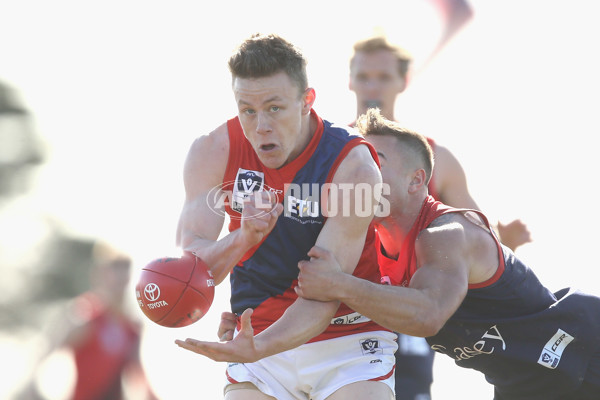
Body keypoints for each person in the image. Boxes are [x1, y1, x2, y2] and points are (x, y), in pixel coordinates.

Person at [293, 108, 600, 400]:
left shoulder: (446, 233)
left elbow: (428, 314)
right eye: (356, 165)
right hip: (528, 383)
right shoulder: (364, 242)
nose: (361, 175)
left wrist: (338, 284)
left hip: (582, 353)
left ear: (416, 180)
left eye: (376, 162)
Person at [174, 33, 397, 400]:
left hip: (346, 339)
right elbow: (194, 273)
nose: (261, 125)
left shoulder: (353, 167)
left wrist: (260, 347)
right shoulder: (212, 151)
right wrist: (243, 238)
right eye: (247, 109)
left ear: (307, 101)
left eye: (274, 108)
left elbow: (325, 293)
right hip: (256, 335)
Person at [348, 35, 532, 400]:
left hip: (405, 310)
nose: (372, 86)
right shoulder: (326, 153)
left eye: (383, 77)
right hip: (340, 309)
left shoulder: (435, 158)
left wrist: (503, 241)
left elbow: (475, 232)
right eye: (364, 76)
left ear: (403, 81)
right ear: (350, 80)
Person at [20, 240, 158, 400]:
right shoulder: (85, 316)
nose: (121, 275)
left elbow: (138, 375)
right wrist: (31, 387)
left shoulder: (132, 327)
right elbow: (45, 351)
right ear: (100, 273)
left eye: (125, 267)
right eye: (115, 267)